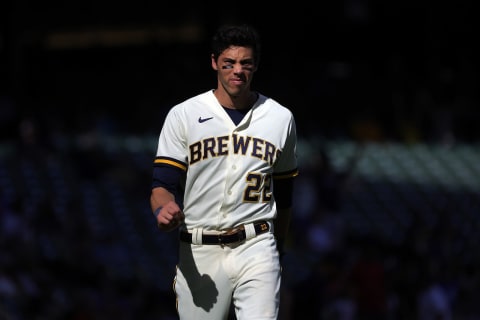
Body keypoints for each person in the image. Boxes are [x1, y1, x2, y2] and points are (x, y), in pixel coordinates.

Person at [149, 23, 299, 320]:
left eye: (245, 63)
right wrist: (163, 209)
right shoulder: (184, 114)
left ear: (255, 65)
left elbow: (284, 194)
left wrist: (278, 247)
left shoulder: (281, 118)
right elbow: (161, 185)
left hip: (257, 244)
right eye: (229, 63)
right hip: (199, 247)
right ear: (214, 62)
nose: (237, 71)